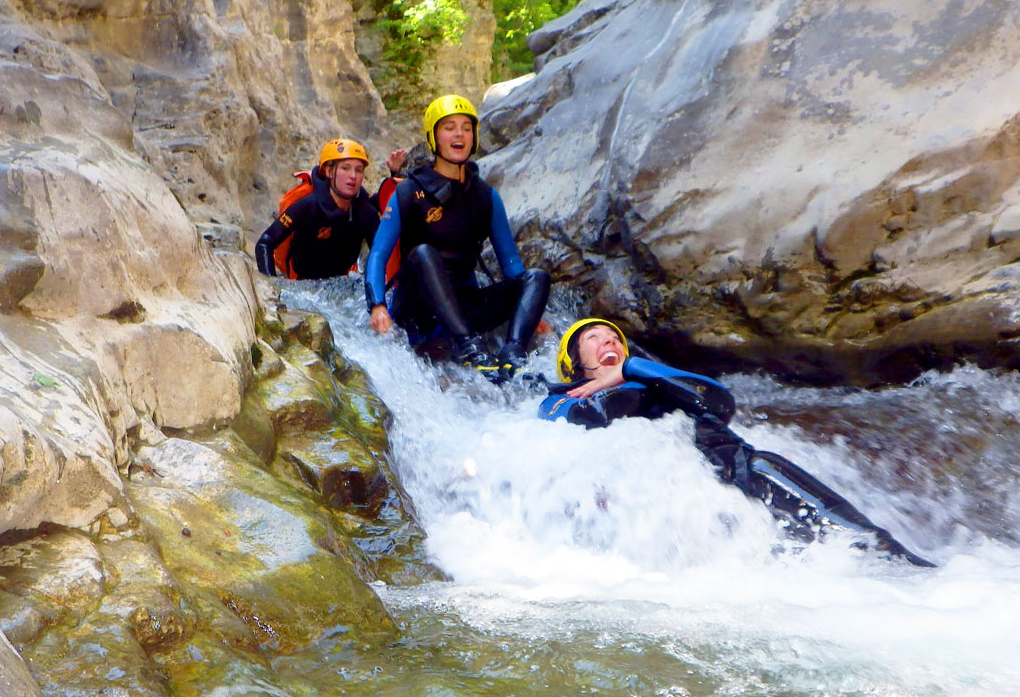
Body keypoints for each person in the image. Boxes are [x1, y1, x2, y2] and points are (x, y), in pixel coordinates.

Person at [539, 319, 935, 567]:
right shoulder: (562, 396)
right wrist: (606, 388)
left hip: (749, 475)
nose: (609, 341)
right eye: (595, 338)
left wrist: (630, 369)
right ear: (574, 360)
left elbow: (719, 399)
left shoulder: (654, 380)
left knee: (867, 545)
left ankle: (920, 583)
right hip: (680, 517)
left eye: (616, 339)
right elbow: (572, 420)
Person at [365, 95, 551, 383]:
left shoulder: (486, 195)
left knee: (537, 277)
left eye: (466, 127)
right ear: (434, 137)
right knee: (425, 253)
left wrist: (527, 307)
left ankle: (513, 353)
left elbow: (511, 261)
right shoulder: (408, 192)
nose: (459, 134)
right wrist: (377, 305)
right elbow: (377, 254)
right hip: (417, 310)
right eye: (449, 127)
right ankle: (469, 347)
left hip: (465, 305)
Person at [255, 139, 406, 279]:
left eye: (359, 170)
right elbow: (265, 242)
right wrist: (272, 286)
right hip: (300, 285)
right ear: (328, 172)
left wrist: (396, 175)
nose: (353, 176)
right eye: (345, 168)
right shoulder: (307, 206)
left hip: (341, 289)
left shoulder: (366, 213)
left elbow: (382, 256)